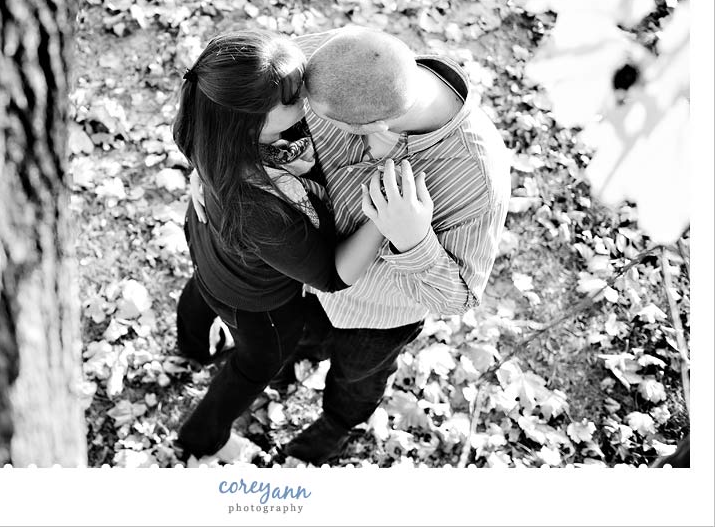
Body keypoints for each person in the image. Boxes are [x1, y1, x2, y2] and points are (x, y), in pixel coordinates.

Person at [190, 26, 511, 465]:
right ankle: (289, 369)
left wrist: (413, 239)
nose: (301, 117)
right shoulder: (335, 59)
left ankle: (335, 429)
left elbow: (460, 296)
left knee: (356, 380)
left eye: (311, 117)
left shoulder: (476, 177)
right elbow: (225, 92)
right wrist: (207, 169)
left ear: (372, 128)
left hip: (374, 315)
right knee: (293, 346)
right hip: (297, 281)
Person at [170, 29, 424, 462]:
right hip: (258, 305)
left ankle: (191, 347)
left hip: (208, 250)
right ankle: (203, 436)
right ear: (251, 121)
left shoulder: (209, 125)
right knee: (254, 367)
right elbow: (331, 274)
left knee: (202, 292)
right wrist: (386, 218)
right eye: (292, 99)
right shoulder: (261, 205)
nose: (305, 98)